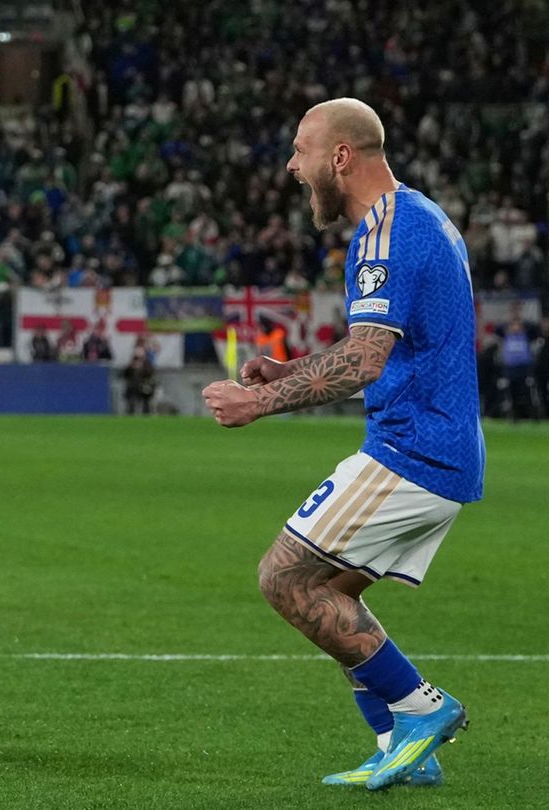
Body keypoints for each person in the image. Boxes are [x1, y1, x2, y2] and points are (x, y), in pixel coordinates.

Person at [202, 98, 481, 791]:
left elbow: (364, 364)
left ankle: (420, 709)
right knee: (330, 601)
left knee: (284, 578)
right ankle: (403, 750)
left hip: (414, 450)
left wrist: (258, 402)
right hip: (441, 448)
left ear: (340, 157)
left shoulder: (386, 232)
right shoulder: (420, 217)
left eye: (300, 151)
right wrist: (288, 369)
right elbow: (374, 344)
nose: (292, 168)